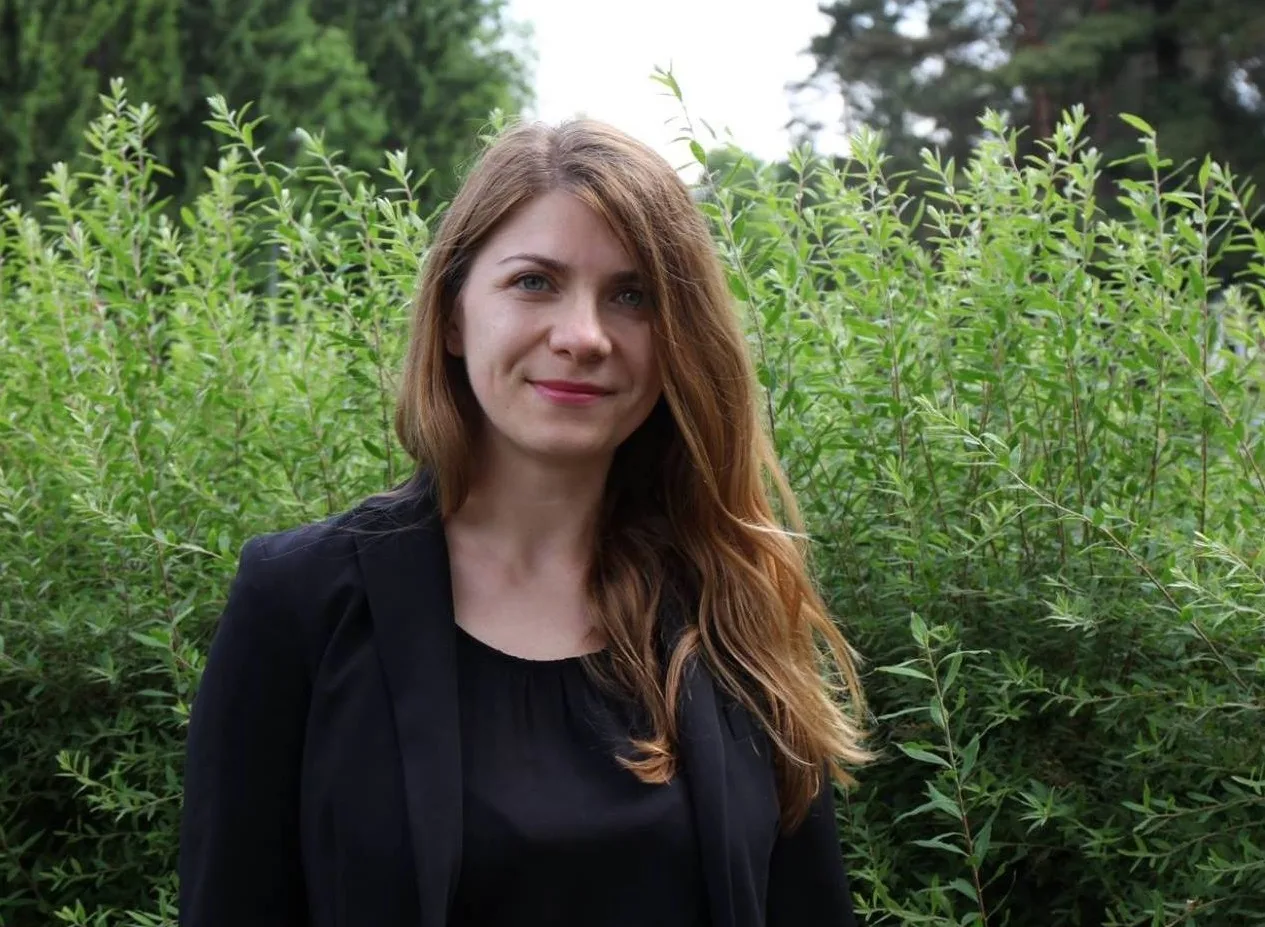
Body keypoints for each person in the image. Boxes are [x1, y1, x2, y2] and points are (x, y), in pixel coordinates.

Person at [178, 118, 870, 927]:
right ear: (452, 315)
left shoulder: (731, 600)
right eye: (534, 282)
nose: (583, 336)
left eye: (632, 296)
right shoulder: (299, 601)